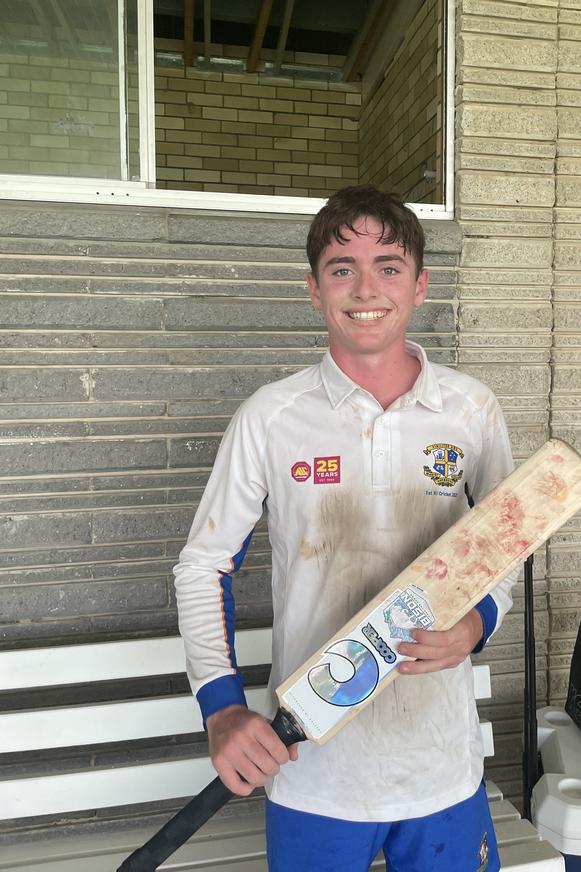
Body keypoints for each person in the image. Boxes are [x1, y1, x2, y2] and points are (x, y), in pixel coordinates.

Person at [174, 185, 518, 872]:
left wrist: (477, 621)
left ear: (420, 285)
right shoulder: (271, 417)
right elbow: (203, 564)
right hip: (314, 771)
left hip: (441, 767)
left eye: (388, 266)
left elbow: (506, 544)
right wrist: (221, 708)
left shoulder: (472, 409)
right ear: (313, 288)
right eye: (342, 268)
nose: (367, 287)